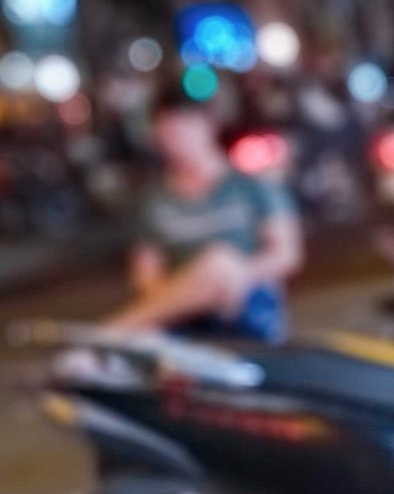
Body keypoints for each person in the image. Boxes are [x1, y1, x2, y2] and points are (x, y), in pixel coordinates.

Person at [106, 92, 302, 341]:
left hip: (246, 304)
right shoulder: (153, 202)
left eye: (183, 126)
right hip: (182, 313)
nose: (177, 139)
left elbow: (286, 254)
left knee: (218, 263)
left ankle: (114, 332)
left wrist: (236, 277)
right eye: (167, 131)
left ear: (206, 125)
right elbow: (146, 277)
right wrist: (194, 293)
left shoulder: (251, 185)